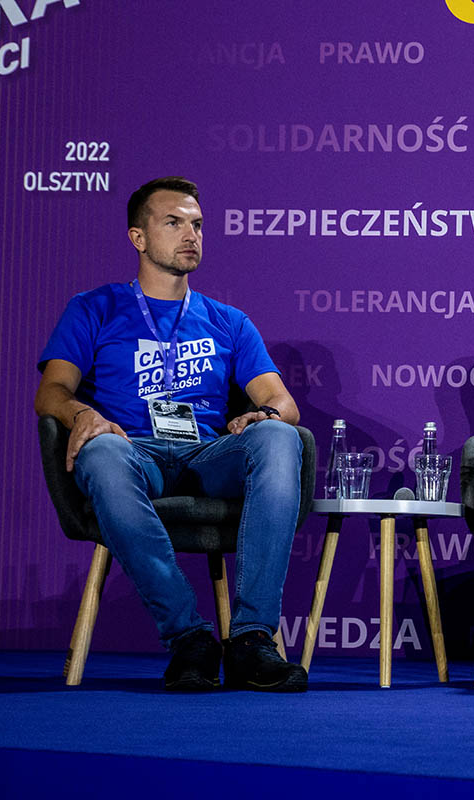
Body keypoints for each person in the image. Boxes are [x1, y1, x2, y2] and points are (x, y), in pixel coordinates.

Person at [35, 177, 309, 692]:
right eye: (174, 222)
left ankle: (251, 639)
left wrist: (265, 415)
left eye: (198, 225)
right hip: (133, 452)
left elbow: (282, 401)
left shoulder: (229, 321)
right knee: (102, 452)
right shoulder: (94, 308)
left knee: (281, 437)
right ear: (138, 238)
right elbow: (51, 392)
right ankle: (190, 638)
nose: (191, 235)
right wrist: (81, 414)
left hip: (207, 455)